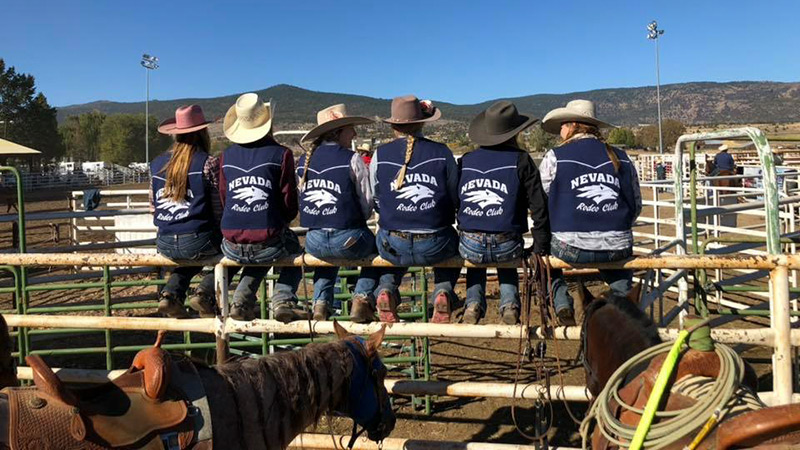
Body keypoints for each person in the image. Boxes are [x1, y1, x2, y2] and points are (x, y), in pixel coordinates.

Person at [539, 100, 642, 325]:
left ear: (574, 124)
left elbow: (543, 198)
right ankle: (622, 306)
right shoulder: (622, 156)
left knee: (545, 256)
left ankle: (562, 303)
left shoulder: (555, 156)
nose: (561, 131)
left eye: (563, 125)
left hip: (571, 246)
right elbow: (635, 204)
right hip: (617, 245)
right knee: (620, 274)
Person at [457, 101, 550, 325]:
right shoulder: (521, 160)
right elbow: (539, 205)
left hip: (471, 243)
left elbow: (454, 198)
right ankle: (509, 305)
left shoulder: (466, 161)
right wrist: (540, 244)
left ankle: (472, 304)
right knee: (507, 252)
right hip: (507, 242)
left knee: (475, 253)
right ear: (514, 133)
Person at [371, 95, 460, 323]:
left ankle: (387, 290)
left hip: (394, 240)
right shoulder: (443, 152)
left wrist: (395, 212)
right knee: (454, 241)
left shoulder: (380, 155)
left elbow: (375, 196)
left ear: (393, 126)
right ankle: (442, 292)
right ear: (422, 123)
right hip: (435, 241)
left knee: (389, 249)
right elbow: (453, 194)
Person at [219, 93, 304, 323]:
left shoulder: (226, 156)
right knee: (293, 251)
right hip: (266, 243)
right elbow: (288, 200)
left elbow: (224, 197)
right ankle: (282, 300)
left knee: (259, 248)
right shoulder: (281, 154)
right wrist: (280, 220)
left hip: (230, 243)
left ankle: (236, 299)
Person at [297, 104, 378, 322]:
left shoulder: (303, 161)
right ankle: (361, 297)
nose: (355, 133)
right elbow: (366, 200)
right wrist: (356, 218)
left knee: (327, 256)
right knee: (381, 252)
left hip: (313, 239)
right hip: (349, 237)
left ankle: (321, 302)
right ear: (338, 131)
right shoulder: (351, 158)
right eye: (350, 128)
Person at [150, 104, 221, 318]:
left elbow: (153, 205)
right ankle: (205, 291)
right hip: (198, 239)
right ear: (203, 132)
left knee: (189, 254)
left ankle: (171, 294)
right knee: (233, 248)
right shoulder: (208, 163)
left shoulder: (156, 165)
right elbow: (218, 210)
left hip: (164, 241)